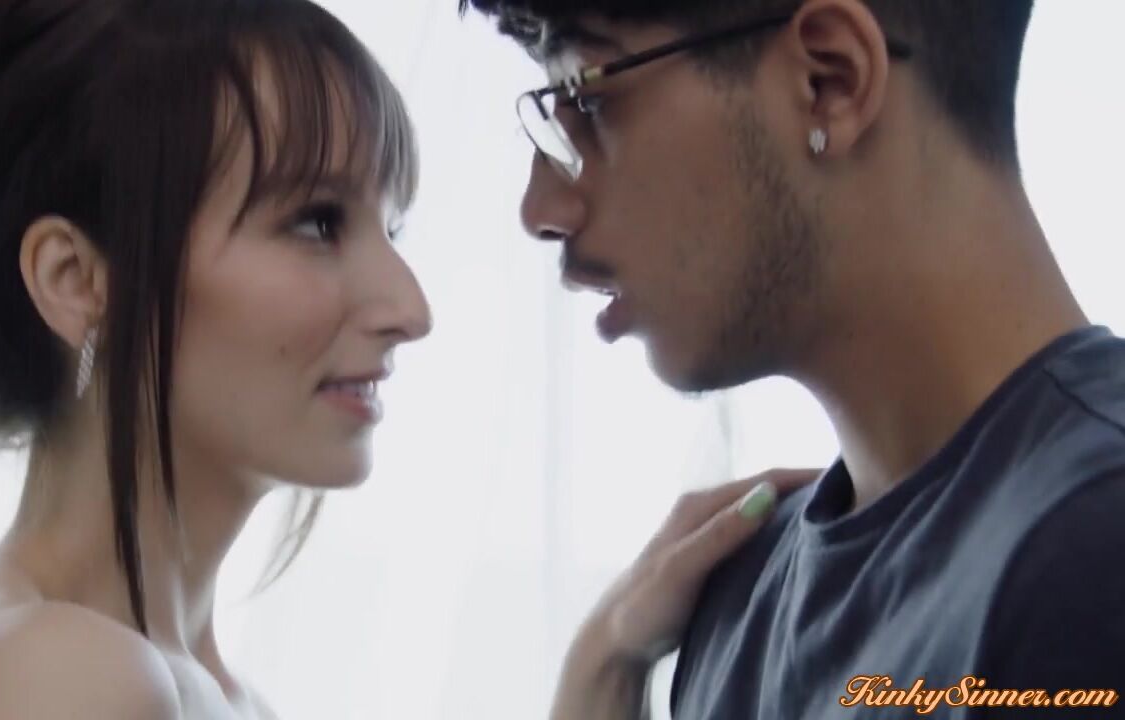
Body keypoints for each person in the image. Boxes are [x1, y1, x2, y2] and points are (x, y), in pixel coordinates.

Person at [462, 0, 1125, 717]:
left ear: (830, 80)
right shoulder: (732, 598)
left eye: (587, 99)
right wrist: (602, 671)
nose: (541, 209)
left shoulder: (1094, 551)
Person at [0, 0, 436, 717]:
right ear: (75, 280)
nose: (410, 309)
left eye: (391, 229)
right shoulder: (57, 679)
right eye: (317, 222)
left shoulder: (204, 692)